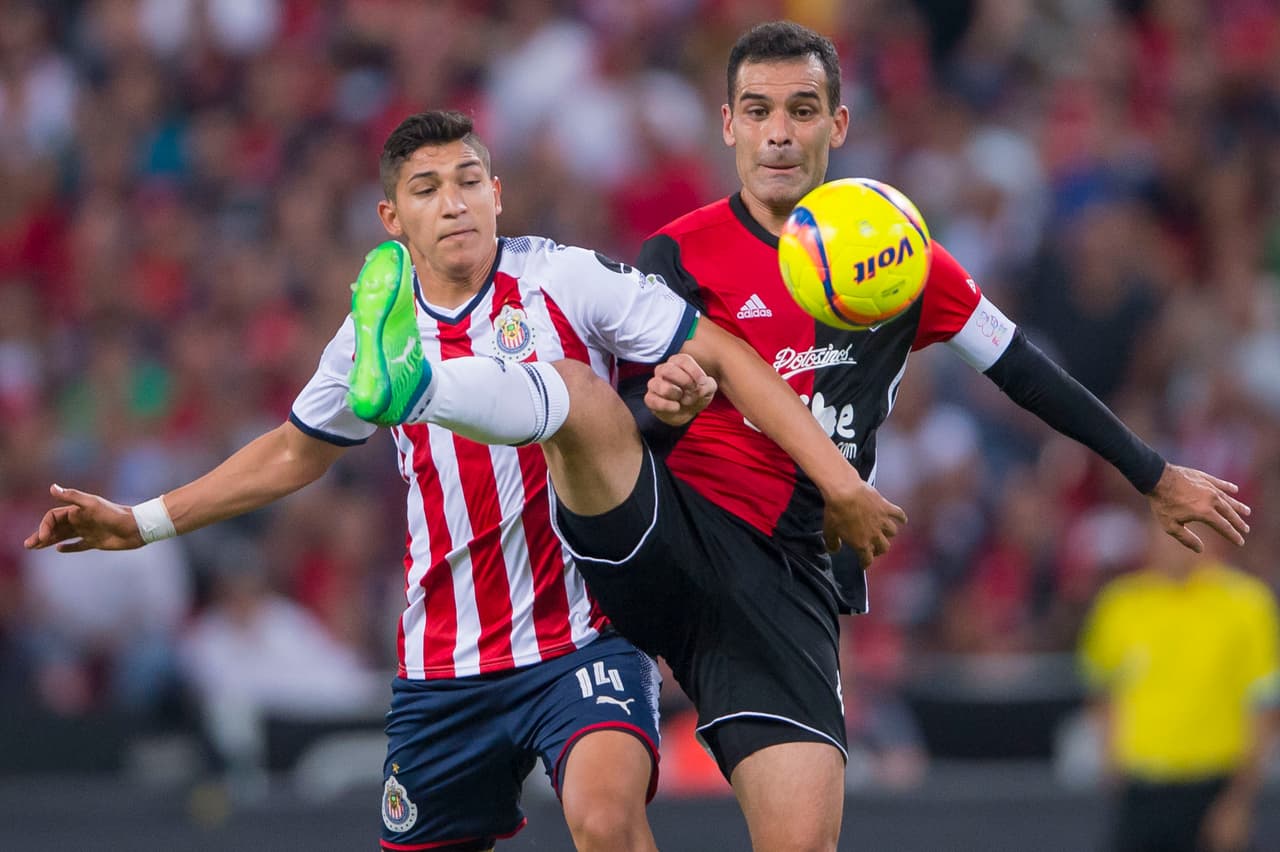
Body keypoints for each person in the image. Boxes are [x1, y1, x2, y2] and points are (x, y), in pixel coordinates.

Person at [24, 110, 907, 852]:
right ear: (391, 218)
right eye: (427, 189)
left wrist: (836, 480)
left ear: (497, 193)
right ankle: (432, 390)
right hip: (444, 662)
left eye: (469, 179)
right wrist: (138, 523)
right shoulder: (370, 332)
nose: (454, 202)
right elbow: (292, 452)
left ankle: (435, 390)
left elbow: (724, 352)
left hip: (585, 638)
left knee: (605, 822)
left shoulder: (565, 276)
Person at [624, 20, 1254, 851]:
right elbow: (621, 421)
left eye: (803, 109)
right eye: (759, 109)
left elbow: (1020, 365)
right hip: (674, 534)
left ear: (838, 125)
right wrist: (660, 410)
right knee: (602, 811)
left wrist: (1151, 474)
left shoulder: (896, 251)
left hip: (789, 572)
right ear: (728, 123)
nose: (779, 132)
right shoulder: (676, 254)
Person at [1078, 529, 1279, 852]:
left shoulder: (1247, 604)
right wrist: (1110, 758)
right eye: (1163, 530)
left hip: (1214, 786)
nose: (1170, 543)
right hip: (1141, 788)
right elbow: (1101, 687)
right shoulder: (1120, 603)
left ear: (1210, 538)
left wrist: (1239, 799)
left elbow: (1264, 707)